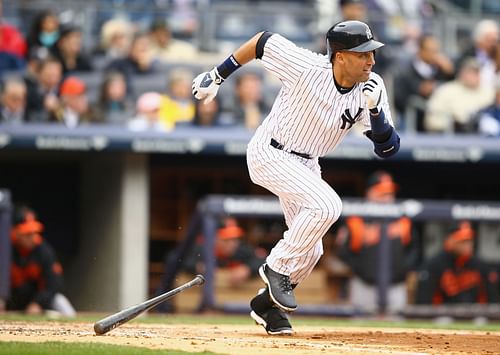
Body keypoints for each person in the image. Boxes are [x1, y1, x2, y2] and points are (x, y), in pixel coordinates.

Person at [191, 20, 400, 335]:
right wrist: (218, 75)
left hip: (307, 164)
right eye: (362, 54)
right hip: (270, 152)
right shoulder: (308, 66)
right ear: (340, 56)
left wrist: (375, 112)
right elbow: (262, 41)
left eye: (372, 53)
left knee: (312, 250)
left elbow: (388, 149)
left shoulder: (372, 86)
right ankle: (274, 267)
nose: (370, 60)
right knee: (328, 205)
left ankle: (266, 306)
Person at [336, 171, 416, 314]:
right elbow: (343, 251)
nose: (387, 198)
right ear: (369, 193)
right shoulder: (356, 219)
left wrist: (403, 269)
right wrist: (360, 270)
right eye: (382, 193)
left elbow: (414, 250)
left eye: (389, 193)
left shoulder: (403, 220)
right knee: (360, 329)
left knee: (396, 331)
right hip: (364, 285)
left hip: (396, 286)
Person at [6, 205, 76, 316]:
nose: (33, 238)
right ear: (14, 232)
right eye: (28, 234)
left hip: (38, 303)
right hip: (9, 303)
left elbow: (54, 283)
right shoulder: (5, 249)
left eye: (35, 232)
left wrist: (37, 303)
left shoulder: (43, 250)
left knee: (60, 301)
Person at [415, 221, 498, 305]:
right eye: (463, 241)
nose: (468, 245)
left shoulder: (480, 265)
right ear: (450, 241)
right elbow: (424, 301)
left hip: (475, 314)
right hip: (442, 314)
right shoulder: (434, 264)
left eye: (470, 240)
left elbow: (492, 299)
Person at [182, 217, 267, 288]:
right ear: (214, 238)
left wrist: (248, 269)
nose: (232, 244)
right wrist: (197, 267)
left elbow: (263, 259)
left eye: (235, 239)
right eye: (226, 239)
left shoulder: (241, 249)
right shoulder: (201, 249)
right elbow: (182, 260)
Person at [424, 57, 494, 133]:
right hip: (453, 134)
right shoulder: (447, 90)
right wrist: (452, 123)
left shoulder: (488, 91)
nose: (474, 76)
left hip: (484, 134)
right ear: (462, 73)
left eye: (476, 73)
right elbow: (432, 117)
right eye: (470, 72)